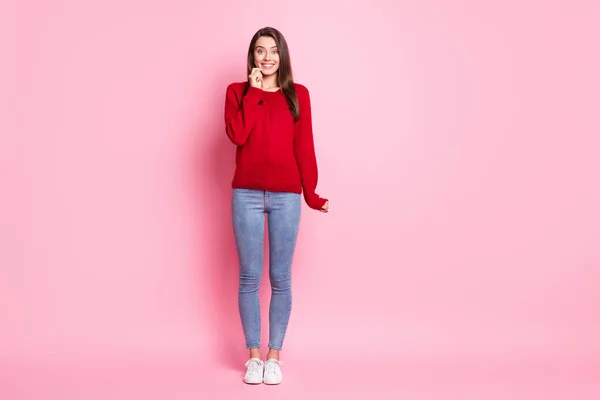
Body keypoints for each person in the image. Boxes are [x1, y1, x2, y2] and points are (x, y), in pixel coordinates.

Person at [223, 26, 329, 385]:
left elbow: (304, 147)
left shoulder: (297, 95)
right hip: (247, 195)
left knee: (281, 278)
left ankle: (274, 356)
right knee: (249, 277)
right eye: (259, 51)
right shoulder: (238, 92)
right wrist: (254, 93)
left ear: (282, 55)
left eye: (273, 51)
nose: (266, 57)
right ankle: (253, 356)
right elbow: (238, 135)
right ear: (252, 56)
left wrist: (311, 194)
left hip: (286, 196)